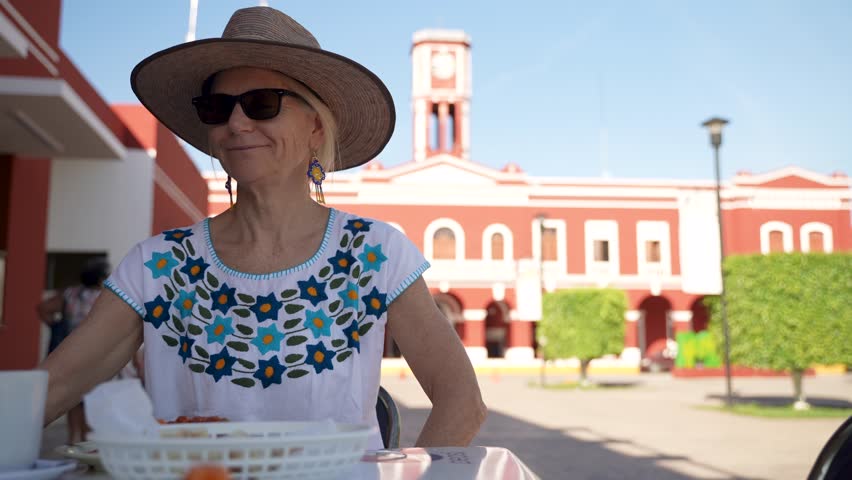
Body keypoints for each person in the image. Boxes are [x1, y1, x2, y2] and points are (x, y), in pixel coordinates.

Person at [41, 6, 486, 449]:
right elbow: (53, 388)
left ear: (315, 125)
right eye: (218, 108)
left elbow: (461, 399)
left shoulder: (375, 253)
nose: (236, 123)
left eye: (261, 104)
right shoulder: (158, 266)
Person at [37, 257, 110, 444]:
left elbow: (43, 308)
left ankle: (73, 439)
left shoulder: (70, 293)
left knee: (74, 400)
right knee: (91, 399)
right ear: (101, 278)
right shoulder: (104, 297)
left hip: (71, 351)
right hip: (95, 355)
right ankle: (87, 442)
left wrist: (55, 326)